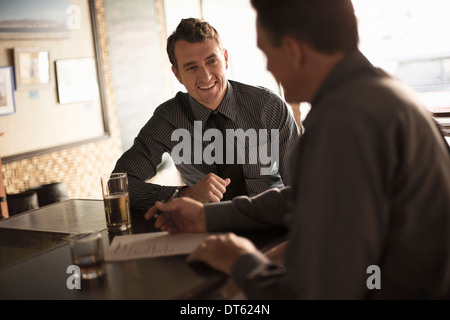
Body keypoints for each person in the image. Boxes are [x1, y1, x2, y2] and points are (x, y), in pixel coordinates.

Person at [145, 0, 450, 299]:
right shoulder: (381, 93)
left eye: (267, 53)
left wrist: (242, 262)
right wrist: (209, 217)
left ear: (293, 50)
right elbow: (310, 195)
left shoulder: (342, 119)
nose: (268, 66)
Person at [113, 18, 299, 212]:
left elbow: (304, 185)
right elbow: (120, 185)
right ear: (177, 75)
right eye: (191, 67)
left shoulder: (269, 106)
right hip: (204, 230)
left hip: (271, 225)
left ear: (225, 58)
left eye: (212, 61)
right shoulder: (169, 119)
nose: (206, 76)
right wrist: (184, 195)